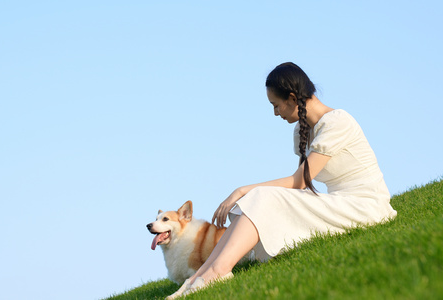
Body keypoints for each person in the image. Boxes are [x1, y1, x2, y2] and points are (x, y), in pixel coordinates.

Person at [166, 62, 397, 299]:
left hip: (365, 206)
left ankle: (217, 270)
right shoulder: (301, 132)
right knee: (264, 198)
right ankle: (199, 276)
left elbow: (299, 182)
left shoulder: (338, 121)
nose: (276, 113)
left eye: (276, 105)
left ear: (292, 98)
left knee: (261, 196)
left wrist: (242, 190)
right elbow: (299, 186)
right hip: (339, 202)